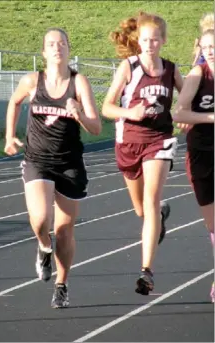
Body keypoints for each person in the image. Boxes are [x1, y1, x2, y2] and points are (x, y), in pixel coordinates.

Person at [4, 28, 102, 308]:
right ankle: (43, 248)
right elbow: (14, 102)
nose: (57, 47)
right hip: (37, 159)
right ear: (44, 52)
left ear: (69, 49)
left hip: (70, 163)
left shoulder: (79, 83)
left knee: (64, 231)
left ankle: (61, 284)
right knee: (40, 220)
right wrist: (10, 135)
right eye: (51, 44)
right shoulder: (32, 80)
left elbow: (95, 127)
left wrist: (78, 112)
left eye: (61, 43)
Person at [102, 12, 183, 295]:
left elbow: (186, 100)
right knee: (142, 209)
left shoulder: (172, 70)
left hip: (160, 139)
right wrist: (130, 112)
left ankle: (146, 272)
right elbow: (107, 107)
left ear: (163, 41)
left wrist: (184, 115)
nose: (150, 44)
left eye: (155, 40)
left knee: (151, 199)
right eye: (145, 40)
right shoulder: (129, 67)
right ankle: (159, 215)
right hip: (129, 141)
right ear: (139, 41)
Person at [173, 29, 214, 303]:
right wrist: (211, 117)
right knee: (213, 226)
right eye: (206, 46)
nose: (210, 51)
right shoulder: (198, 75)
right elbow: (179, 113)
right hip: (201, 154)